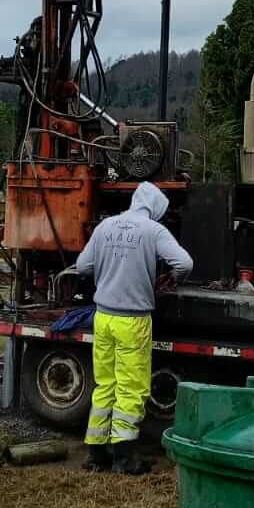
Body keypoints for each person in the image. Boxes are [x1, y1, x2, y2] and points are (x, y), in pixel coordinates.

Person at [76, 181, 191, 474]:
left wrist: (107, 272)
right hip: (133, 321)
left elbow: (83, 266)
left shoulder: (105, 227)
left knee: (105, 383)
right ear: (155, 208)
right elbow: (184, 263)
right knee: (131, 386)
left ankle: (96, 453)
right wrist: (170, 279)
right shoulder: (153, 230)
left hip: (103, 317)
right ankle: (124, 457)